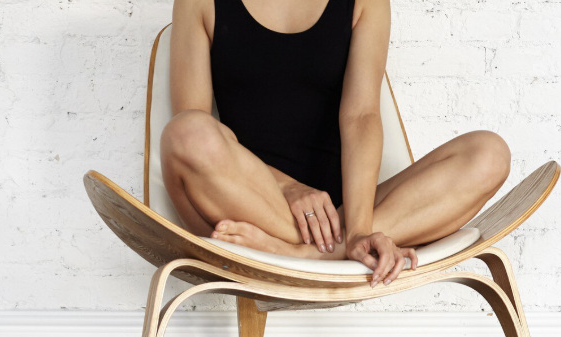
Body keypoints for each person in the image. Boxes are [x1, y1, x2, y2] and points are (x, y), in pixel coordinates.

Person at [160, 0, 511, 288]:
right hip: (247, 204)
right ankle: (321, 250)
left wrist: (358, 230)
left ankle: (306, 254)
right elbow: (195, 124)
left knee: (488, 154)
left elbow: (361, 117)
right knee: (186, 132)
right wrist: (287, 188)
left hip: (344, 212)